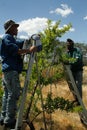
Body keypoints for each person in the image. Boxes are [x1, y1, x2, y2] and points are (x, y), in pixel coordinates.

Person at [0, 19, 40, 128]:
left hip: (8, 71)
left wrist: (33, 37)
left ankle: (3, 117)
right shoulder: (7, 38)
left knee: (7, 94)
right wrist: (30, 50)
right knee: (14, 94)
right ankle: (10, 119)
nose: (17, 29)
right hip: (11, 70)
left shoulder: (11, 39)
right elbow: (16, 50)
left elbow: (21, 43)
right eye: (15, 27)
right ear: (10, 29)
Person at [65, 38, 83, 105]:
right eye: (67, 45)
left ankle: (79, 101)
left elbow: (78, 60)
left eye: (68, 45)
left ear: (72, 44)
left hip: (78, 71)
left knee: (78, 85)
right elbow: (65, 60)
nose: (67, 46)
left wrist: (69, 61)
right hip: (71, 71)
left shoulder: (77, 50)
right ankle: (76, 99)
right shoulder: (68, 52)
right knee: (72, 86)